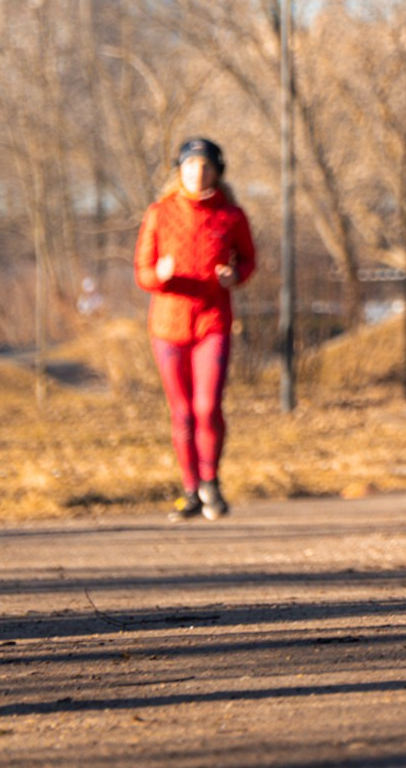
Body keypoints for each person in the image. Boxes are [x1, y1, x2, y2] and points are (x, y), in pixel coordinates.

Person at [134, 137, 257, 521]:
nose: (198, 173)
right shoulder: (159, 213)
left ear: (218, 172)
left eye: (205, 166)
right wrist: (160, 275)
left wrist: (234, 275)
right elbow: (141, 271)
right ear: (179, 171)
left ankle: (211, 481)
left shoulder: (231, 216)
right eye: (190, 166)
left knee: (208, 407)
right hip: (168, 324)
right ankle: (189, 490)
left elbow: (249, 261)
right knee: (183, 412)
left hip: (212, 321)